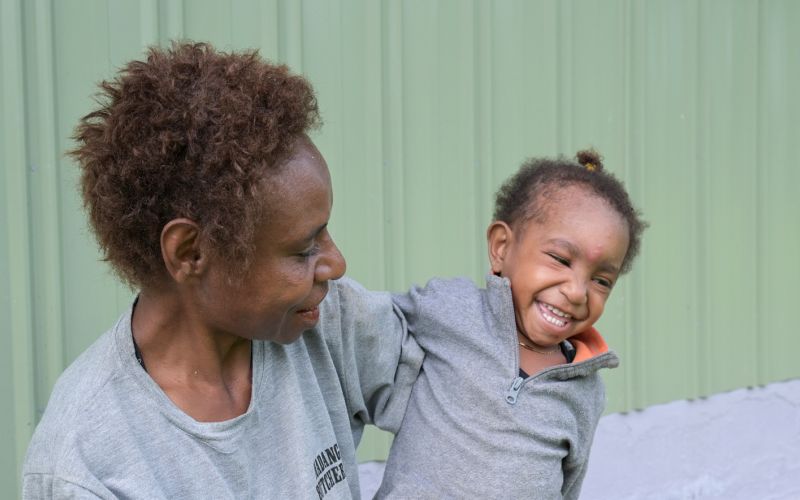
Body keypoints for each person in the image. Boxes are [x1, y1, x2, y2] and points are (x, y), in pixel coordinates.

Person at [22, 42, 422, 499]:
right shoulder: (89, 466)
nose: (335, 264)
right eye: (302, 249)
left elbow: (472, 386)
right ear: (190, 252)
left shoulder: (329, 320)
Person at [377, 151, 647, 499]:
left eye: (602, 281)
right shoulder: (449, 309)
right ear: (502, 248)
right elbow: (359, 327)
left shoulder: (585, 391)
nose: (578, 292)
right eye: (561, 259)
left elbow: (567, 490)